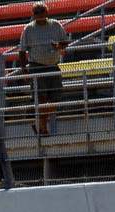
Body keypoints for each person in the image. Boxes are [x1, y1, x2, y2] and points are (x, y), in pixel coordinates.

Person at [18, 2, 69, 135]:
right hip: (37, 67)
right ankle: (43, 128)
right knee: (41, 98)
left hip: (53, 66)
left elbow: (65, 42)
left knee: (55, 99)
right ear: (33, 14)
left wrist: (58, 46)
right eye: (37, 12)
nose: (39, 14)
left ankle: (36, 119)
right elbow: (22, 51)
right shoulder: (28, 29)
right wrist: (24, 70)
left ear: (47, 12)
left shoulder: (56, 25)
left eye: (42, 11)